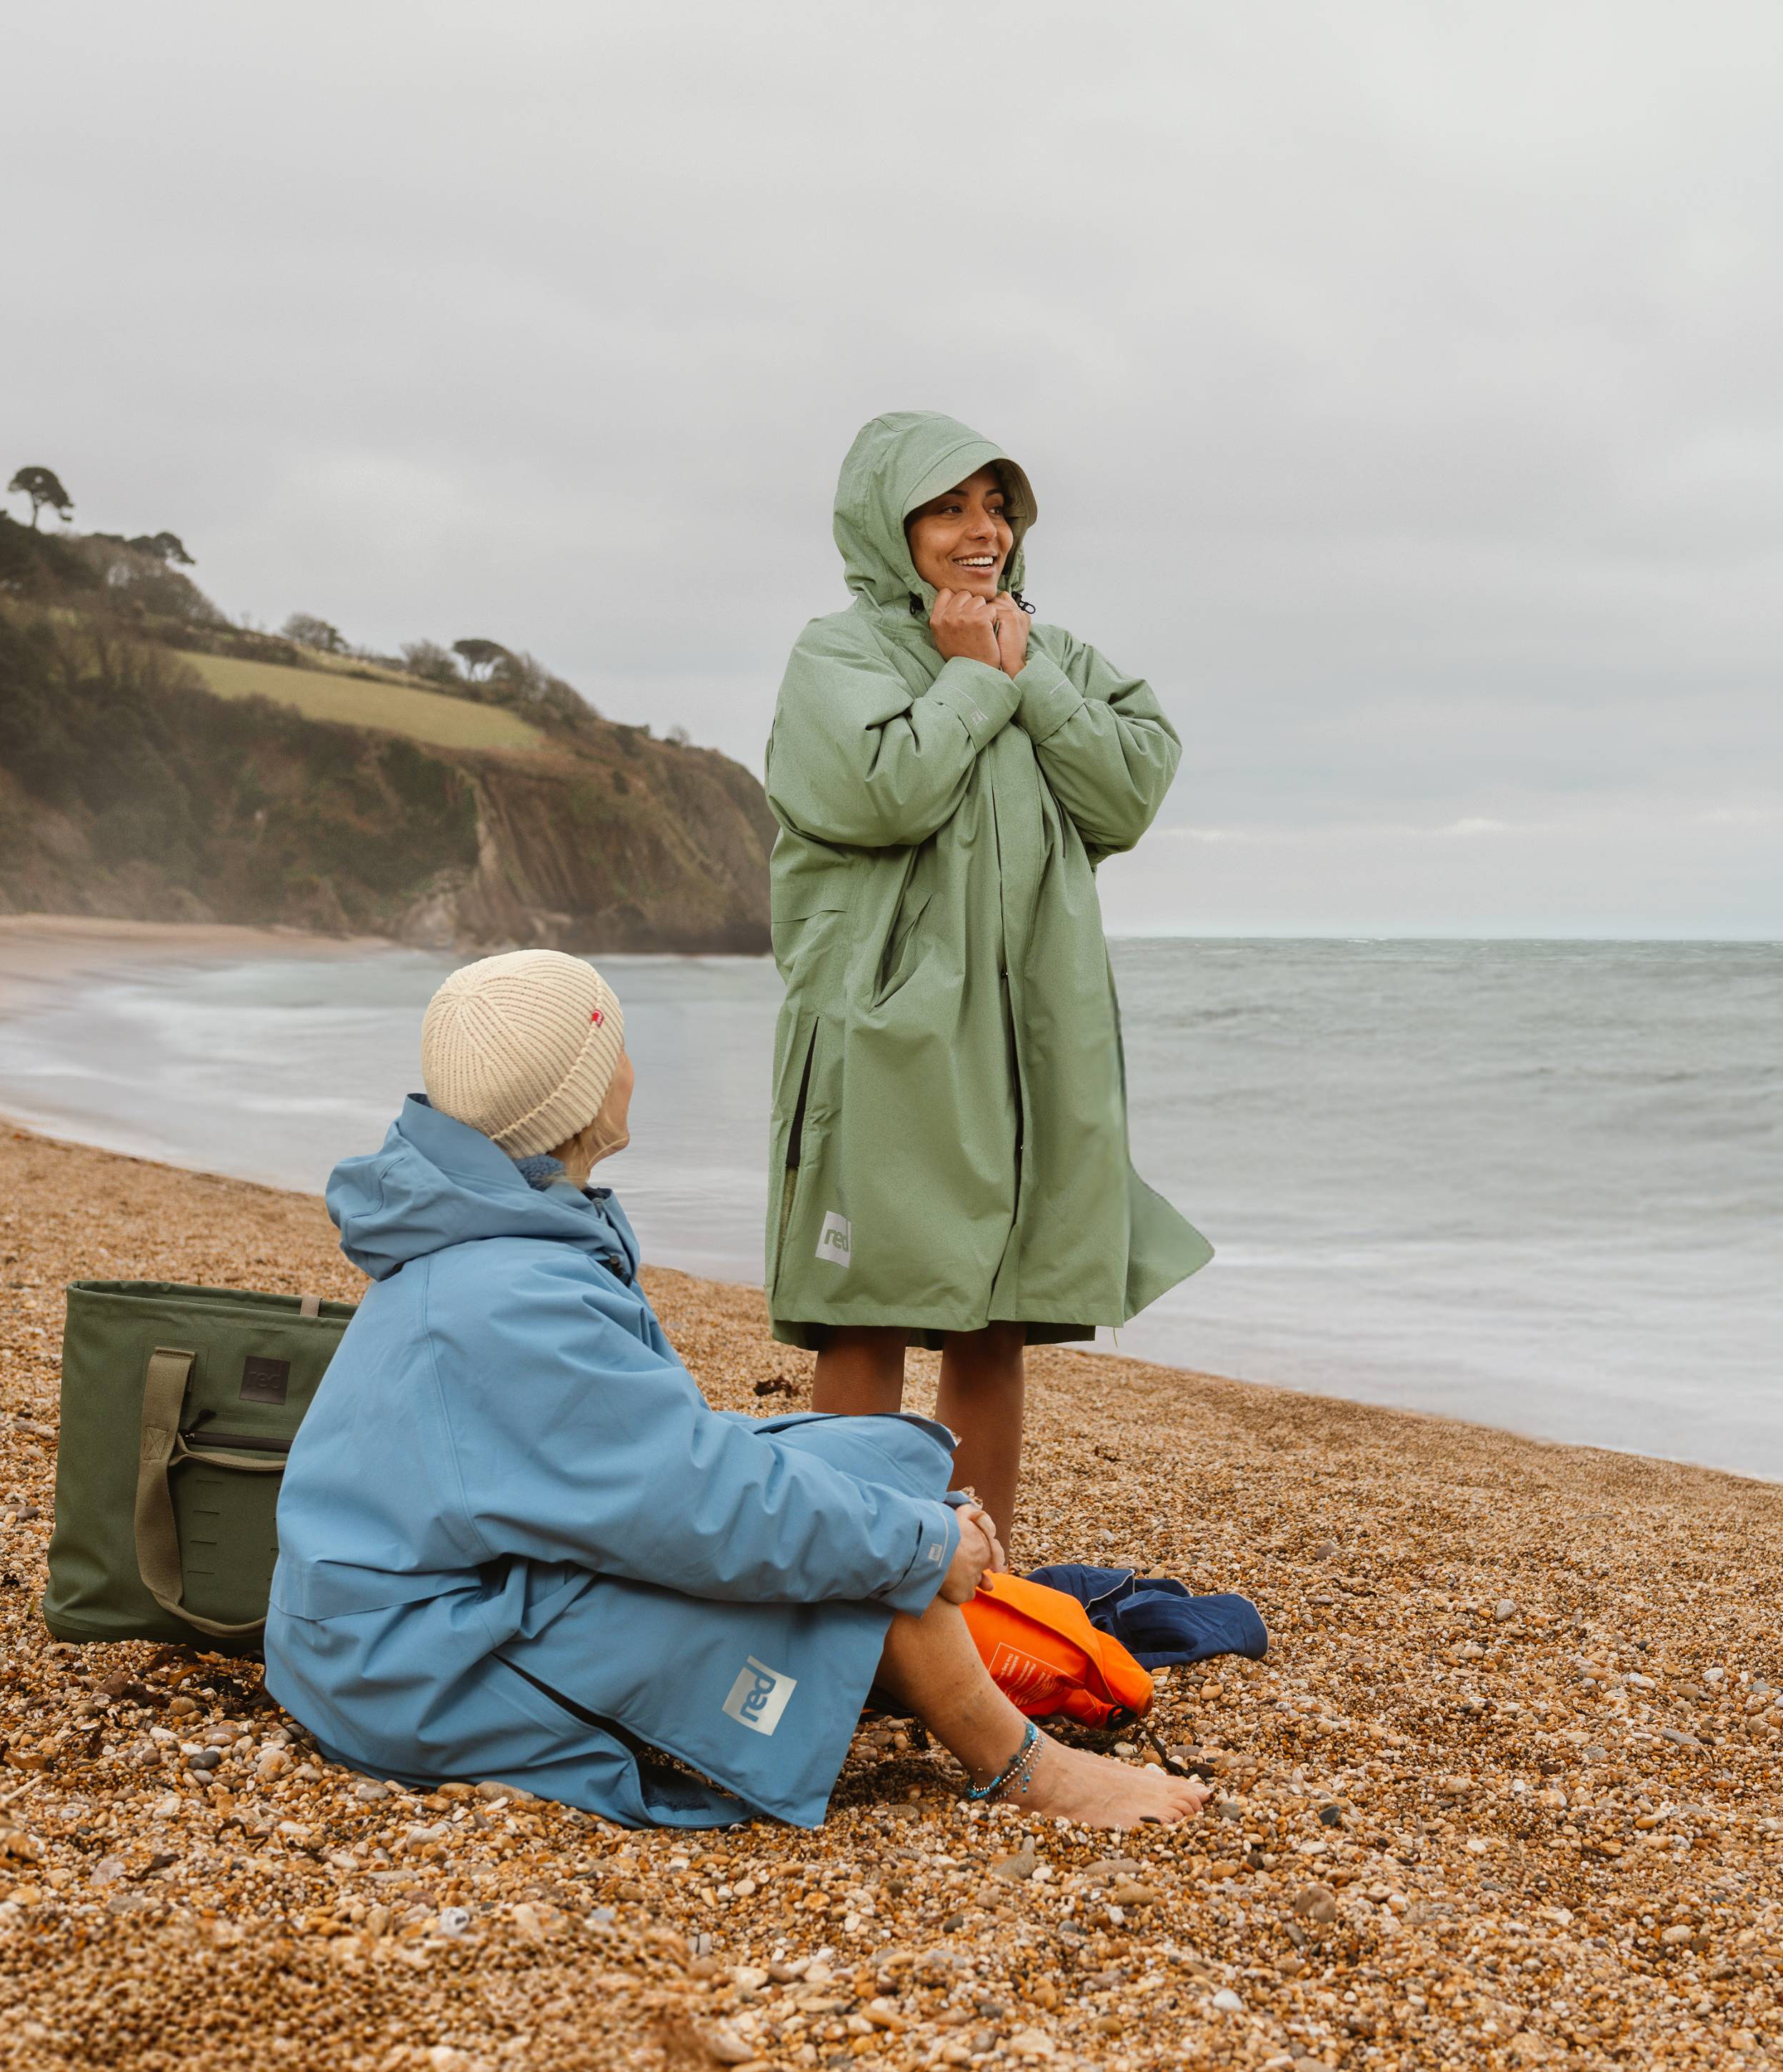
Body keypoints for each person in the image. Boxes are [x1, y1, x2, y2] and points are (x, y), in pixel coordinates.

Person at [265, 949, 1207, 1831]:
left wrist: (896, 1515)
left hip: (423, 1608)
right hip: (413, 1666)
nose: (634, 1065)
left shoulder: (502, 1233)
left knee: (875, 1467)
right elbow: (699, 1508)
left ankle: (907, 1653)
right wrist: (915, 1544)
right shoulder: (513, 1297)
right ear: (587, 1094)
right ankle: (1025, 1769)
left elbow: (665, 1469)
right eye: (617, 1047)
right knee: (867, 1560)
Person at [763, 412, 1212, 1546]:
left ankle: (979, 1589)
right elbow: (881, 796)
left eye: (997, 505)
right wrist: (974, 679)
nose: (984, 532)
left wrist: (1028, 678)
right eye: (950, 507)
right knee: (864, 1311)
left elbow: (1129, 792)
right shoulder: (839, 655)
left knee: (996, 1319)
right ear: (889, 521)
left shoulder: (1054, 653)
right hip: (888, 1029)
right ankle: (845, 1589)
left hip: (1032, 1033)